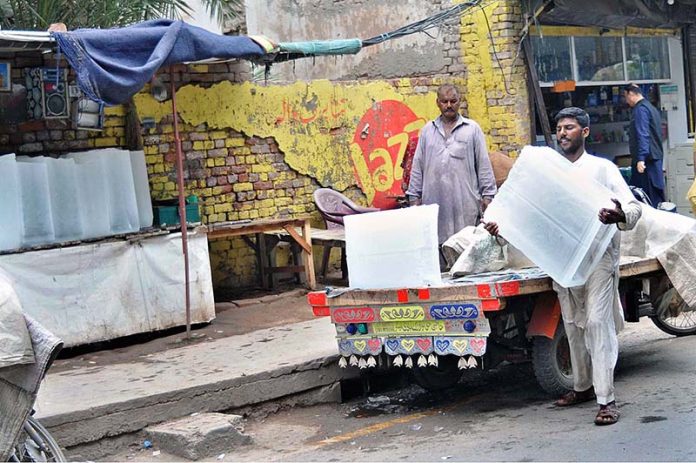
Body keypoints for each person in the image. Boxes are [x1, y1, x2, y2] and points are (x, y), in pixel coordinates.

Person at [484, 107, 642, 426]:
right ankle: (582, 387)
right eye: (558, 128)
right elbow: (530, 219)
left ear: (585, 132)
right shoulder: (548, 174)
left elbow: (633, 206)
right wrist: (503, 231)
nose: (562, 133)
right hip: (564, 262)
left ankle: (606, 399)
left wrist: (620, 216)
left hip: (599, 259)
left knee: (597, 323)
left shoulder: (602, 169)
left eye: (569, 127)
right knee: (572, 325)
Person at [406, 84, 497, 245]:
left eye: (453, 101)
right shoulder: (428, 131)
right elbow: (417, 166)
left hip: (465, 205)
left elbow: (484, 166)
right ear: (437, 103)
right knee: (437, 251)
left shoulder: (472, 129)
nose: (449, 105)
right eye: (444, 101)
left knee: (466, 249)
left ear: (459, 102)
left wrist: (488, 197)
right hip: (434, 206)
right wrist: (414, 199)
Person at [624, 83, 665, 206]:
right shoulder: (650, 108)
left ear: (631, 94)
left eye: (626, 97)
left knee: (647, 199)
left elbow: (643, 134)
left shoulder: (640, 110)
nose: (626, 101)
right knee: (654, 197)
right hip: (654, 159)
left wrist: (641, 159)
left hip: (647, 162)